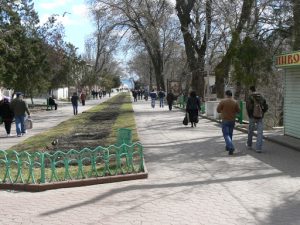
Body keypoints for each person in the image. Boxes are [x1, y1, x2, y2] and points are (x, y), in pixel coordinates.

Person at [217, 90, 240, 155]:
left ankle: (231, 147)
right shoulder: (235, 102)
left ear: (226, 95)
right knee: (230, 134)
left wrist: (223, 111)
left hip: (225, 120)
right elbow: (238, 111)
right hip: (232, 120)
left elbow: (218, 110)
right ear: (231, 95)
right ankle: (228, 147)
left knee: (226, 134)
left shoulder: (223, 101)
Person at [246, 86, 268, 153]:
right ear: (255, 89)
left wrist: (250, 115)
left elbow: (248, 107)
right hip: (260, 117)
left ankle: (249, 145)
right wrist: (262, 113)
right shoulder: (261, 96)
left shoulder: (250, 97)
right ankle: (258, 148)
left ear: (250, 90)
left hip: (252, 117)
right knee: (260, 133)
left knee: (250, 131)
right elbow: (266, 106)